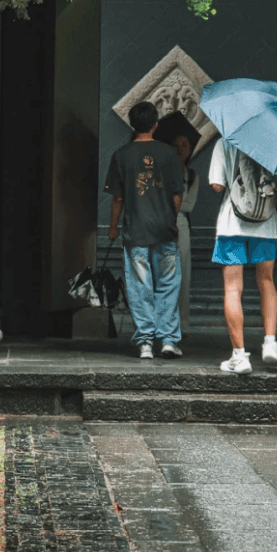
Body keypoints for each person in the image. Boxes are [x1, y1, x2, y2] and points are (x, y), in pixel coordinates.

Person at [105, 100, 185, 359]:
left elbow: (118, 198)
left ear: (132, 124)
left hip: (135, 231)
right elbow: (177, 194)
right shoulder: (169, 154)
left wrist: (113, 227)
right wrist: (170, 219)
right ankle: (169, 340)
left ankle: (146, 343)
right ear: (155, 125)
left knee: (140, 287)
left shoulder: (121, 155)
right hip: (165, 230)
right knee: (168, 284)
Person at [209, 138, 277, 374]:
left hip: (232, 225)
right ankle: (271, 344)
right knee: (267, 281)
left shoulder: (224, 142)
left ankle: (239, 356)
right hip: (265, 225)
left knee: (233, 288)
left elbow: (216, 185)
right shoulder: (274, 143)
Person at [154, 112, 200, 337]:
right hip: (159, 224)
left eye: (185, 145)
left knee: (182, 276)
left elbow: (188, 205)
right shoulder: (159, 170)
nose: (181, 149)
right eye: (177, 145)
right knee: (159, 275)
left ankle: (181, 323)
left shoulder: (191, 175)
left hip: (181, 226)